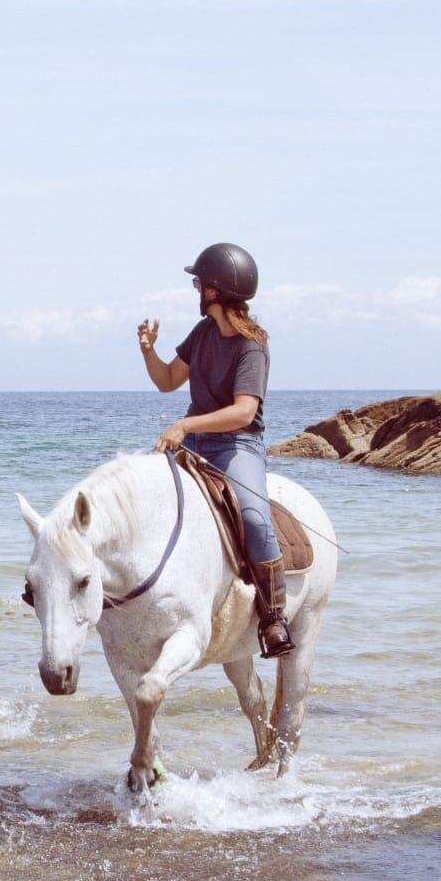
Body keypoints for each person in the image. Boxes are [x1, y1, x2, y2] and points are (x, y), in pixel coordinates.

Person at [138, 242, 293, 658]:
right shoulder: (202, 333)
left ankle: (273, 616)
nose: (196, 290)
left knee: (254, 517)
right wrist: (149, 351)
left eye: (199, 284)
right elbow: (167, 381)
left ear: (215, 290)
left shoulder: (252, 345)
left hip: (237, 444)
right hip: (194, 440)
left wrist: (185, 425)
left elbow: (244, 412)